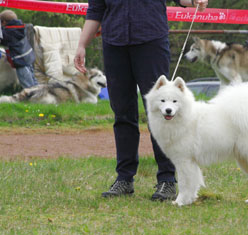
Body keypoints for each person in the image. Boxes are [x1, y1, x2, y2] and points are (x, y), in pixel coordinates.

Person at [74, 0, 208, 201]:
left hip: (151, 40)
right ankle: (124, 179)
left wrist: (193, 1)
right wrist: (81, 45)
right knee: (122, 112)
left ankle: (167, 180)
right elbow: (96, 9)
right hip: (114, 44)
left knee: (163, 111)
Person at [0, 10, 38, 89]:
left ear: (3, 22)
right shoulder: (20, 27)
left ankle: (32, 98)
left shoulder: (9, 32)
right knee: (33, 82)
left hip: (21, 62)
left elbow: (2, 39)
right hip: (28, 59)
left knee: (28, 86)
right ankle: (38, 95)